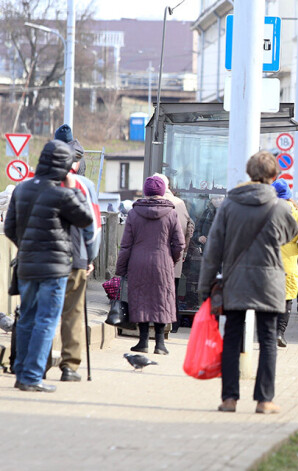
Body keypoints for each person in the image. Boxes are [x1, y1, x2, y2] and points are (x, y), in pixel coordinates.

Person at [198, 150, 298, 414]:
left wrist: (205, 286)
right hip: (269, 281)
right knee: (267, 339)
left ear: (249, 173)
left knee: (231, 338)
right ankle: (264, 401)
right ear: (274, 176)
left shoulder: (230, 205)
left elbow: (214, 249)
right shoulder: (279, 206)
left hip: (235, 279)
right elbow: (292, 234)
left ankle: (229, 399)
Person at [4, 140, 93, 392]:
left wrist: (28, 247)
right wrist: (75, 189)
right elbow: (85, 218)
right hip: (54, 269)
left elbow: (10, 228)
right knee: (46, 320)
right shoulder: (62, 193)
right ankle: (32, 377)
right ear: (65, 165)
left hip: (26, 266)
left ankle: (21, 373)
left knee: (26, 319)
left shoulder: (22, 189)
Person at [45, 135, 102, 382]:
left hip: (43, 260)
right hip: (76, 258)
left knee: (44, 312)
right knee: (73, 313)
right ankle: (69, 366)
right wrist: (91, 256)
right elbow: (94, 225)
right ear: (75, 162)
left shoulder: (36, 183)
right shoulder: (84, 185)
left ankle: (40, 362)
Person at [115, 176, 185, 355]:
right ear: (162, 191)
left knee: (141, 299)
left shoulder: (133, 213)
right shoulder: (171, 212)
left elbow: (126, 245)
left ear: (146, 191)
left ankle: (143, 341)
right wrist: (172, 259)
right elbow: (179, 244)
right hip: (163, 261)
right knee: (162, 299)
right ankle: (160, 344)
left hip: (138, 262)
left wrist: (121, 268)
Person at [271, 179, 298, 348]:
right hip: (288, 264)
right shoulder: (297, 215)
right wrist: (294, 250)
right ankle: (279, 333)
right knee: (286, 299)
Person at [153, 173, 195, 333]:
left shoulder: (150, 202)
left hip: (155, 256)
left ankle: (157, 327)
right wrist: (183, 252)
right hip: (175, 255)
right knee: (173, 292)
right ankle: (174, 324)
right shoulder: (180, 203)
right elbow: (189, 227)